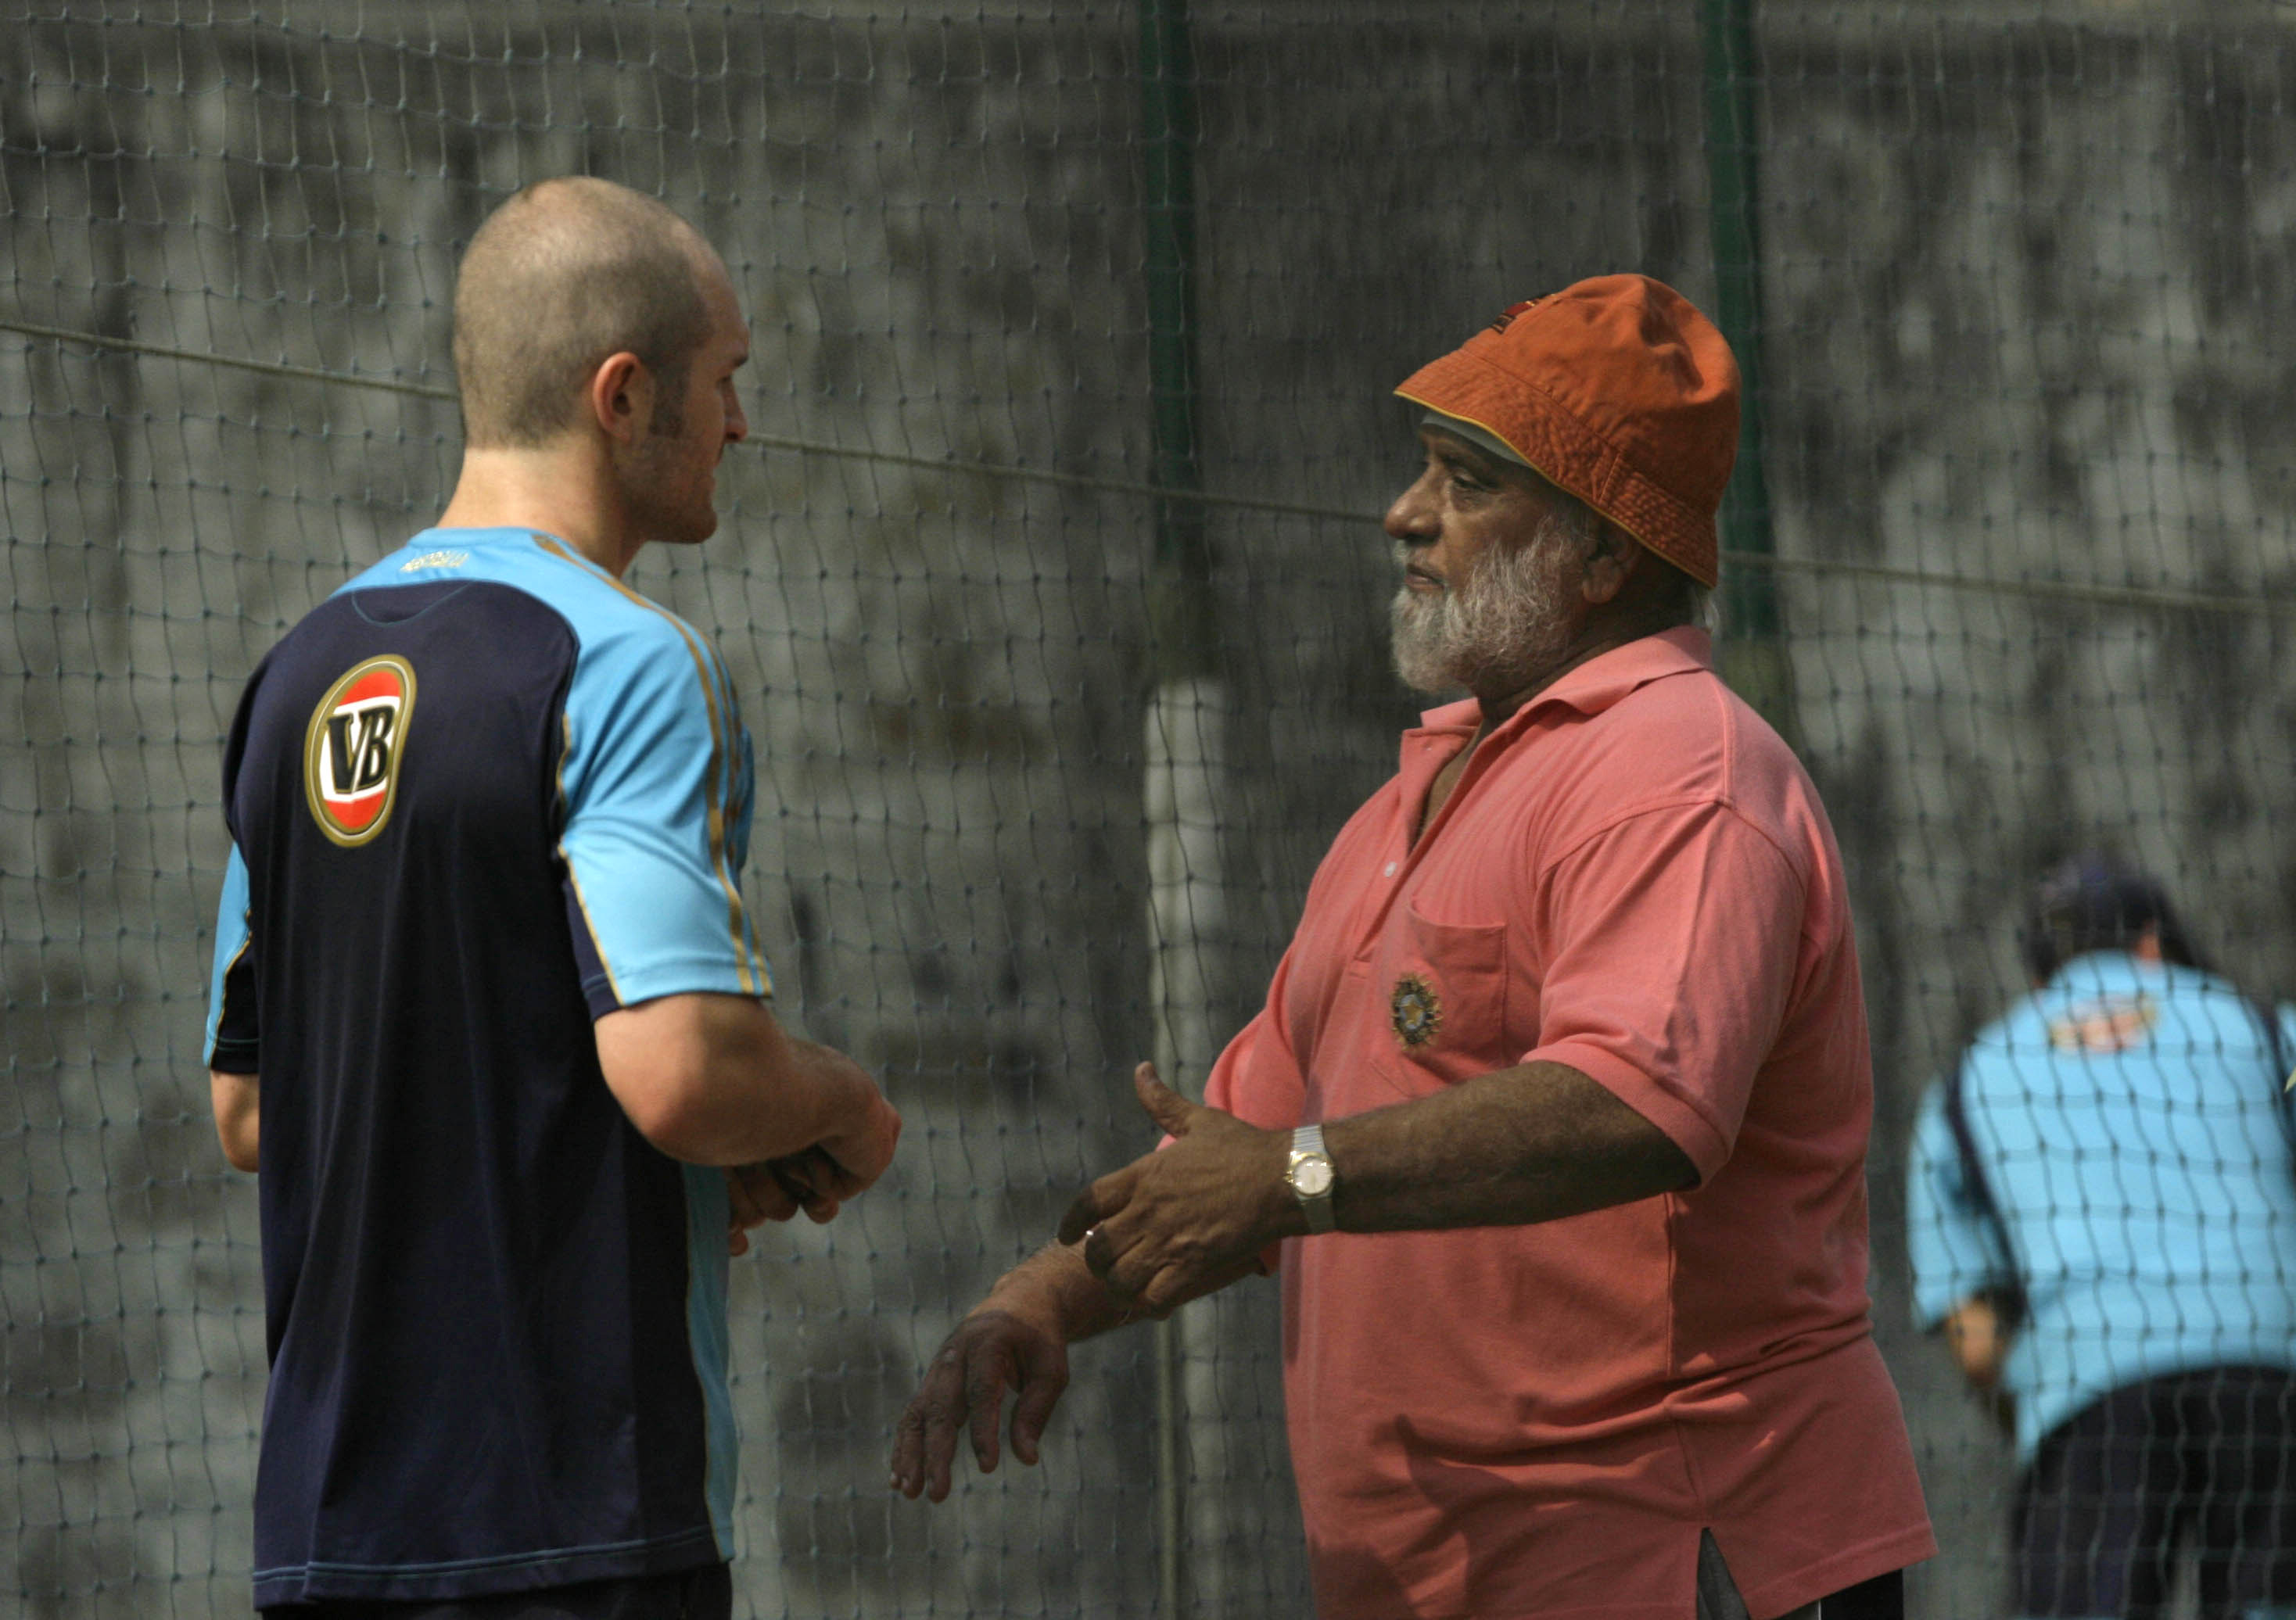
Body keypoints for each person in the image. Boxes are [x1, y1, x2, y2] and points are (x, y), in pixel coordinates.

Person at [892, 275, 1935, 1618]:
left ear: (1605, 553)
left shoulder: (1680, 768)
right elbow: (1243, 1146)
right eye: (1421, 471)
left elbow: (1635, 1103)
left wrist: (1292, 1177)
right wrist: (1037, 1300)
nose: (1404, 513)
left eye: (1464, 481)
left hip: (1672, 1555)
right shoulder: (1416, 796)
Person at [203, 177, 902, 1618]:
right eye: (727, 382)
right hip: (575, 1525)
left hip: (328, 1533)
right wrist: (840, 1109)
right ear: (624, 394)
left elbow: (254, 1107)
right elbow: (684, 1071)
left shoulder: (296, 677)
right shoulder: (624, 659)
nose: (743, 425)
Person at [1909, 855, 2296, 1619]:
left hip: (2089, 1385)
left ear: (2037, 977)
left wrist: (2045, 1410)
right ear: (2152, 943)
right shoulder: (2262, 1026)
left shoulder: (1963, 1085)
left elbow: (1976, 1340)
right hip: (2270, 1364)